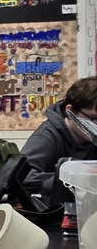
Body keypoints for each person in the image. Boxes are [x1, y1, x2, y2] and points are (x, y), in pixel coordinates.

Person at [21, 76, 97, 204]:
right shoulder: (46, 137)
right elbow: (23, 177)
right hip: (52, 214)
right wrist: (72, 180)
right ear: (70, 111)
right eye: (93, 118)